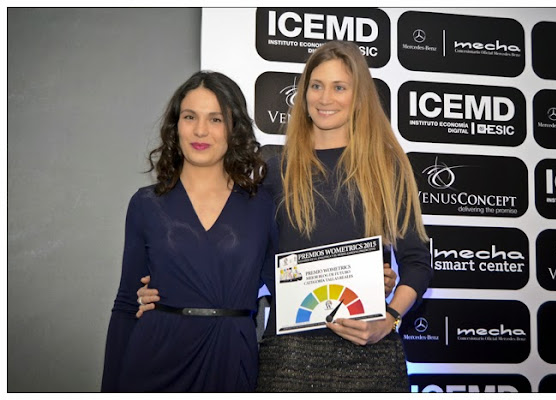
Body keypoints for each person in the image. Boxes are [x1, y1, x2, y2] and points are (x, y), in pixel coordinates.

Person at [138, 40, 432, 392]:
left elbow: (417, 262)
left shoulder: (387, 168)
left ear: (359, 97)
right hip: (289, 356)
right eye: (316, 86)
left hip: (370, 353)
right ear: (303, 94)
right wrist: (167, 289)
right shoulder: (275, 171)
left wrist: (389, 318)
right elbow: (246, 260)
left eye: (339, 87)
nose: (325, 98)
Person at [101, 71, 277, 392]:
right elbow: (127, 304)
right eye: (190, 117)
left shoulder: (263, 206)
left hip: (231, 359)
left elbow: (285, 288)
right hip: (154, 358)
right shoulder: (146, 204)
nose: (200, 130)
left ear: (234, 128)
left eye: (215, 119)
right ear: (176, 125)